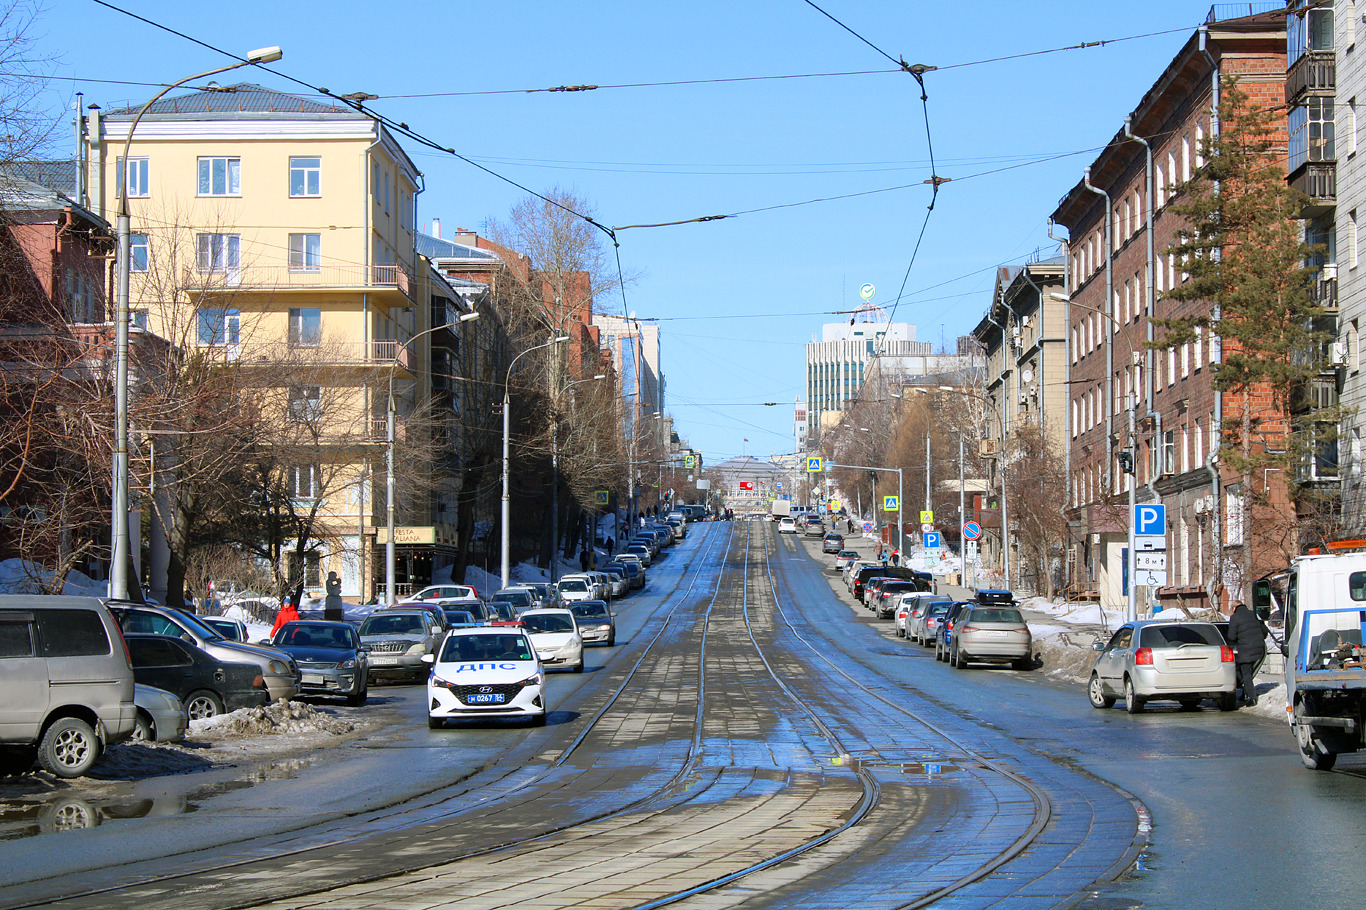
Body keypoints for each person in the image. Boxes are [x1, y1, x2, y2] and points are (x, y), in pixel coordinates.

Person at [1225, 600, 1267, 707]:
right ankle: (1245, 692)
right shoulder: (1254, 614)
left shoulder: (1235, 618)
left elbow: (1232, 637)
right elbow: (1264, 632)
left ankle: (1252, 698)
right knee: (1247, 671)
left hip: (1246, 650)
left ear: (1234, 608)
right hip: (1259, 648)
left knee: (1245, 673)